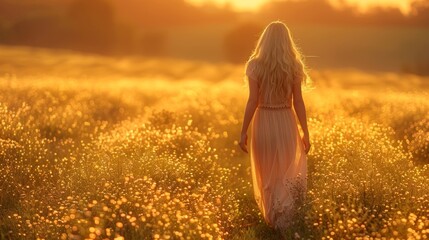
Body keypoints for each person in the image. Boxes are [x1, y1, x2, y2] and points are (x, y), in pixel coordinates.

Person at [239, 21, 311, 230]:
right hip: (286, 121)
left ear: (265, 40)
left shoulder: (254, 65)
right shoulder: (294, 65)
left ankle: (272, 221)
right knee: (285, 173)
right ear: (287, 41)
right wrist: (305, 131)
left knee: (266, 173)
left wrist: (243, 131)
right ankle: (284, 223)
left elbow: (253, 100)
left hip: (263, 121)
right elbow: (298, 101)